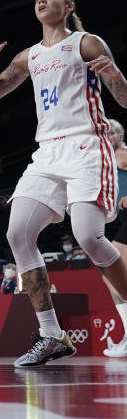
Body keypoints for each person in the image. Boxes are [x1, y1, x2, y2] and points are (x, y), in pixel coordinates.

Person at [0, 0, 127, 367]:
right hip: (47, 153)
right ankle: (51, 335)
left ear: (68, 4)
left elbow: (123, 98)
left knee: (89, 237)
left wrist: (115, 74)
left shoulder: (87, 43)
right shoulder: (30, 56)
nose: (42, 0)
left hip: (86, 146)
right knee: (17, 233)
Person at [104, 120, 127, 356]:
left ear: (120, 134)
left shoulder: (122, 153)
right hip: (121, 219)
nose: (108, 135)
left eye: (113, 132)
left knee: (112, 261)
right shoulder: (105, 159)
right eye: (105, 131)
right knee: (113, 277)